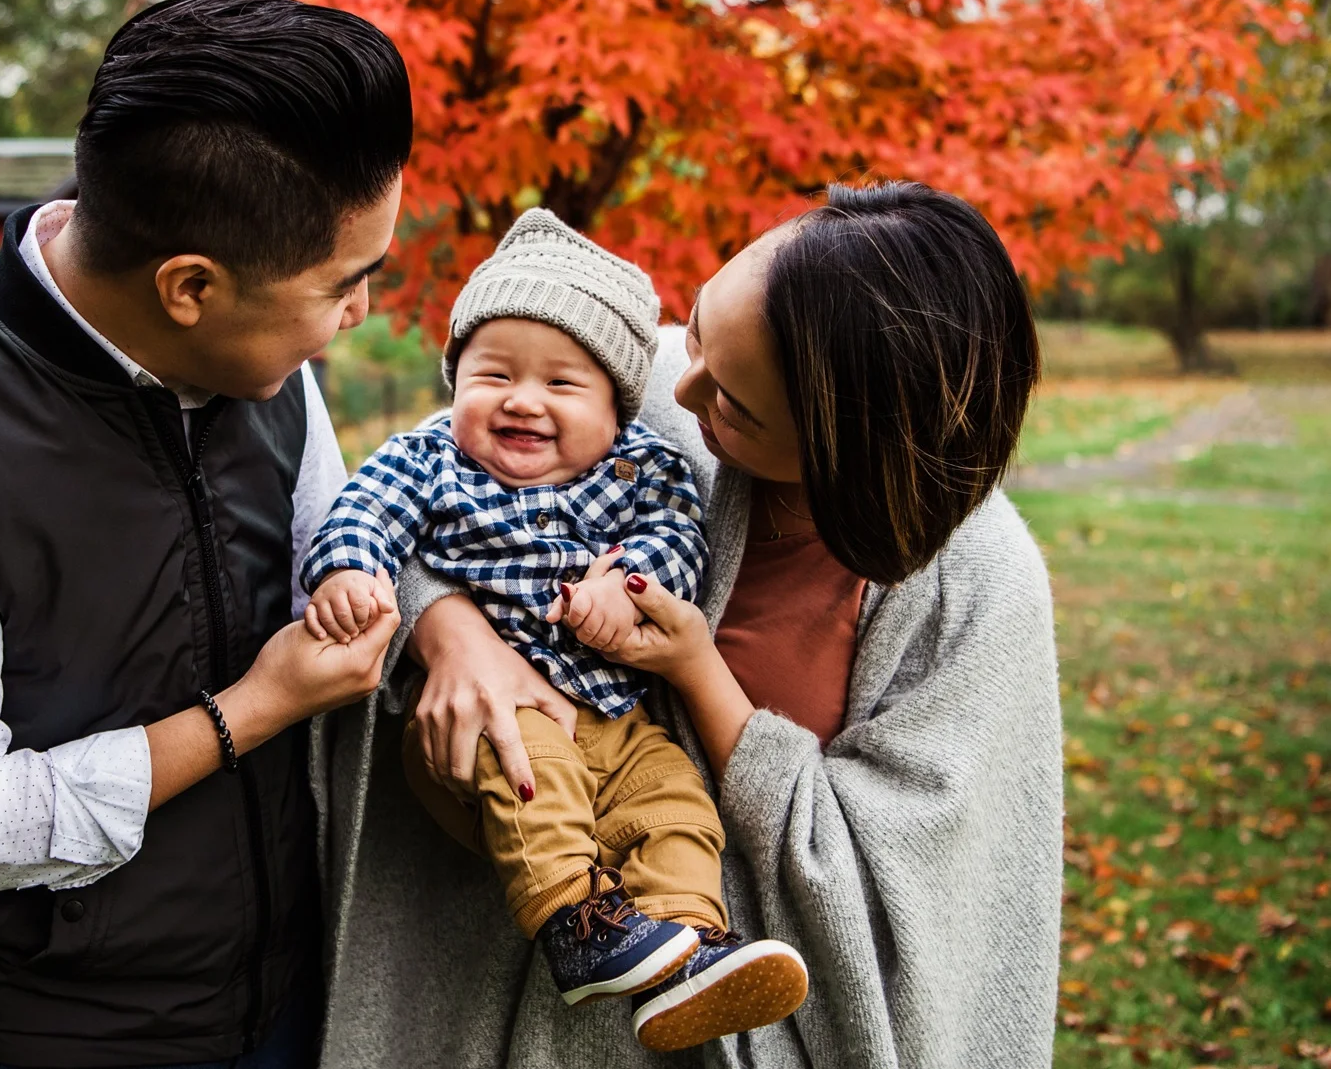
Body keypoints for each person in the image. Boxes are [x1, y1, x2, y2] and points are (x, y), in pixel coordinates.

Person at [0, 0, 411, 1069]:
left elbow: (339, 552)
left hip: (294, 995)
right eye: (341, 285)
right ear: (190, 288)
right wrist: (248, 713)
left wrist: (440, 629)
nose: (358, 311)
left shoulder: (262, 364)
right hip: (66, 1036)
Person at [316, 182, 1061, 1068]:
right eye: (700, 327)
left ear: (845, 447)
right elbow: (419, 494)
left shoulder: (972, 586)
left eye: (735, 408)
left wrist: (700, 676)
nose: (682, 384)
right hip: (496, 999)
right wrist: (448, 629)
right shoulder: (629, 386)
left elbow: (907, 887)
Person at [297, 210, 808, 1053]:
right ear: (453, 380)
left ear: (616, 409)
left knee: (673, 801)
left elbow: (678, 541)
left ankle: (685, 945)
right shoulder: (428, 458)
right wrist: (353, 569)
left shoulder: (649, 468)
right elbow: (363, 510)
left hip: (617, 721)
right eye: (490, 374)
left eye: (561, 385)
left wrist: (628, 586)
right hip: (491, 714)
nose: (521, 400)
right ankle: (577, 921)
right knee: (532, 770)